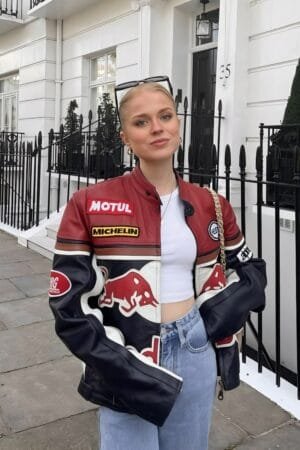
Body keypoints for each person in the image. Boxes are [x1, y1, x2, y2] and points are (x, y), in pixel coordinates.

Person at [49, 77, 261, 450]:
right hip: (126, 354)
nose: (157, 127)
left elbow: (251, 271)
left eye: (165, 116)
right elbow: (68, 306)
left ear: (177, 124)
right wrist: (118, 363)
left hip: (195, 347)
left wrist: (217, 315)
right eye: (141, 121)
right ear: (125, 137)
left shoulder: (212, 202)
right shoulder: (89, 203)